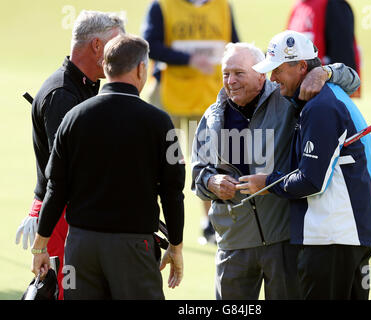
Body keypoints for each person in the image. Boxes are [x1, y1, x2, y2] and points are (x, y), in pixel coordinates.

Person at [191, 41, 360, 299]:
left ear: (261, 76)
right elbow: (197, 175)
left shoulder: (286, 98)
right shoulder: (212, 117)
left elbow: (352, 80)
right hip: (233, 244)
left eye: (239, 73)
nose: (231, 81)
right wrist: (211, 181)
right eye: (226, 74)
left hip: (284, 242)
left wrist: (323, 72)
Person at [31, 34, 185, 300]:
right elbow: (172, 192)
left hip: (80, 247)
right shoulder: (160, 123)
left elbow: (56, 186)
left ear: (106, 66)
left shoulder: (73, 118)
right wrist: (176, 245)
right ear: (140, 69)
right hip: (134, 247)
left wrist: (40, 244)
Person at [241, 30, 371, 299]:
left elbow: (311, 181)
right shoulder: (324, 96)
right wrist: (326, 71)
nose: (272, 79)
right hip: (346, 235)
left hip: (332, 237)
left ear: (301, 67)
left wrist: (267, 183)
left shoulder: (320, 107)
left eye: (277, 70)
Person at [15, 10, 125, 299]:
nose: (121, 55)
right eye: (117, 46)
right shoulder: (63, 94)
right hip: (64, 216)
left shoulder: (85, 86)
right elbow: (67, 173)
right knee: (68, 293)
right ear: (97, 47)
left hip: (74, 214)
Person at [141, 0, 240, 244]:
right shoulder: (162, 6)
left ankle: (210, 223)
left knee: (210, 162)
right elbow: (149, 46)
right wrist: (188, 59)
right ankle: (146, 220)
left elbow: (235, 47)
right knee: (162, 163)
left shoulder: (223, 6)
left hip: (209, 98)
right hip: (170, 97)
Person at [286, 0, 362, 97]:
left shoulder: (334, 5)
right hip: (298, 94)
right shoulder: (299, 6)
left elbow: (343, 59)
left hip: (322, 94)